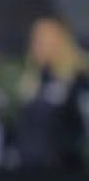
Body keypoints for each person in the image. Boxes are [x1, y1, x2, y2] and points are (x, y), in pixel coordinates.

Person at [11, 17, 89, 172]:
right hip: (29, 171)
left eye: (47, 40)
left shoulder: (78, 79)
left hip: (66, 172)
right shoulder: (32, 82)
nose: (40, 46)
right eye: (37, 40)